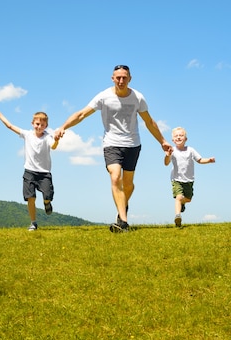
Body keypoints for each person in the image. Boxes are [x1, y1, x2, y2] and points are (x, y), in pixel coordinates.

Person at [54, 64, 172, 233]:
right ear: (112, 78)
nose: (121, 80)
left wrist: (162, 141)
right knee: (115, 177)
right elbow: (81, 114)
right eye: (118, 77)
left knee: (128, 184)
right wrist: (63, 127)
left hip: (133, 144)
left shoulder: (138, 98)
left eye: (124, 77)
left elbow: (149, 121)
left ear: (130, 79)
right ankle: (123, 222)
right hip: (111, 144)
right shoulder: (103, 97)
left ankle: (121, 210)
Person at [0, 108, 59, 231]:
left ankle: (47, 203)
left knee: (47, 196)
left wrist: (57, 140)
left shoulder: (47, 137)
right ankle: (33, 223)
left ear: (46, 126)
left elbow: (53, 146)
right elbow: (10, 126)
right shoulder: (27, 135)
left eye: (42, 125)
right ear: (32, 124)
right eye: (37, 124)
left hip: (44, 173)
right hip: (29, 171)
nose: (39, 127)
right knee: (30, 198)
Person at [164, 127, 215, 227]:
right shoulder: (172, 150)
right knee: (178, 197)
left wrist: (208, 160)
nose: (178, 137)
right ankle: (178, 216)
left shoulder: (190, 150)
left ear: (185, 139)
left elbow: (199, 160)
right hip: (176, 179)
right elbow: (166, 163)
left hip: (189, 180)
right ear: (173, 140)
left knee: (188, 199)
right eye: (176, 136)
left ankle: (183, 203)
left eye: (181, 135)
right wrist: (167, 155)